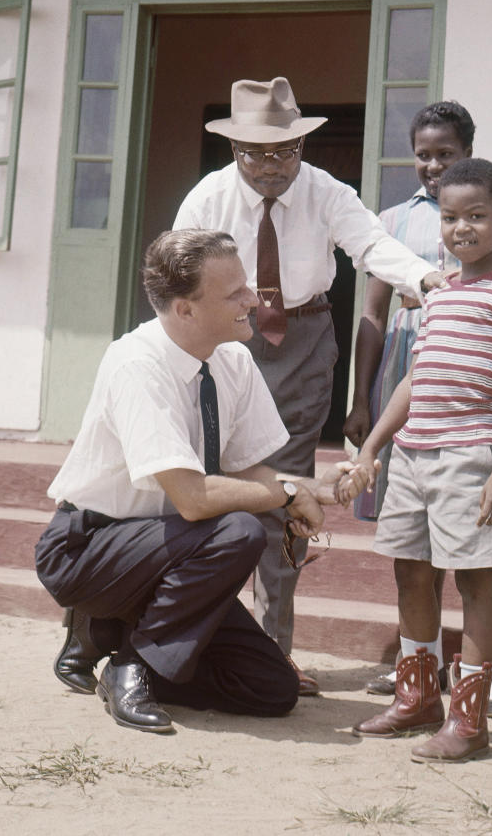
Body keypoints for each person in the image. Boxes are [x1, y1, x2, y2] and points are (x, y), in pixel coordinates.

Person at [172, 77, 444, 695]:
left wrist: (428, 281)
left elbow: (372, 244)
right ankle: (193, 646)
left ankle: (272, 654)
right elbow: (173, 275)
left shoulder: (327, 192)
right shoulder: (206, 201)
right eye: (255, 153)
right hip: (224, 346)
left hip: (301, 345)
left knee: (286, 496)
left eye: (284, 151)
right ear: (234, 149)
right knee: (205, 489)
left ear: (300, 145)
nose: (271, 165)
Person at [35, 230, 347, 733]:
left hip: (170, 556)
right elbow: (194, 498)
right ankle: (129, 663)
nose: (254, 300)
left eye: (246, 285)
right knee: (239, 530)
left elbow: (248, 468)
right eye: (235, 294)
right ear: (184, 310)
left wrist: (307, 488)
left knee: (271, 689)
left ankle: (113, 631)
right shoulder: (136, 363)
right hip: (89, 549)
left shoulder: (233, 357)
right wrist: (288, 493)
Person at [340, 158, 492, 762]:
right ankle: (418, 698)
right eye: (451, 217)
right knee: (410, 569)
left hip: (471, 455)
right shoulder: (438, 292)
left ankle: (470, 720)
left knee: (477, 580)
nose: (462, 229)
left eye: (477, 216)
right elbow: (413, 378)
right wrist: (375, 446)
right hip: (411, 455)